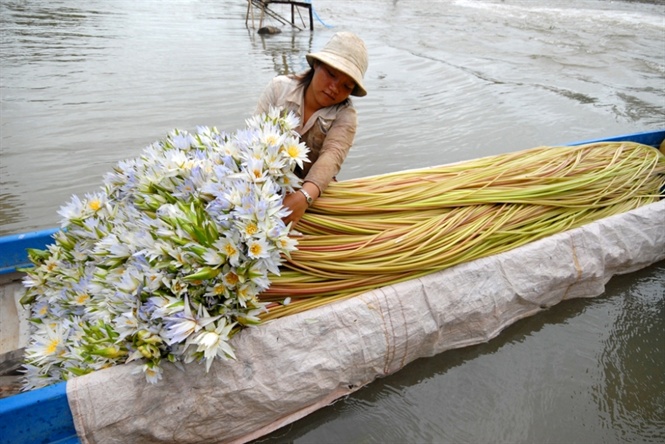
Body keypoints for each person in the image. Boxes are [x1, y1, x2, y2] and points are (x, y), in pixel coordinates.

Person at [255, 31, 368, 226]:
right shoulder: (279, 89)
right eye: (331, 74)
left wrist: (304, 196)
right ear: (316, 64)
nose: (334, 88)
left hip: (313, 191)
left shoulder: (345, 115)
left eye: (346, 86)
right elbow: (254, 138)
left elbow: (332, 156)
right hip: (265, 180)